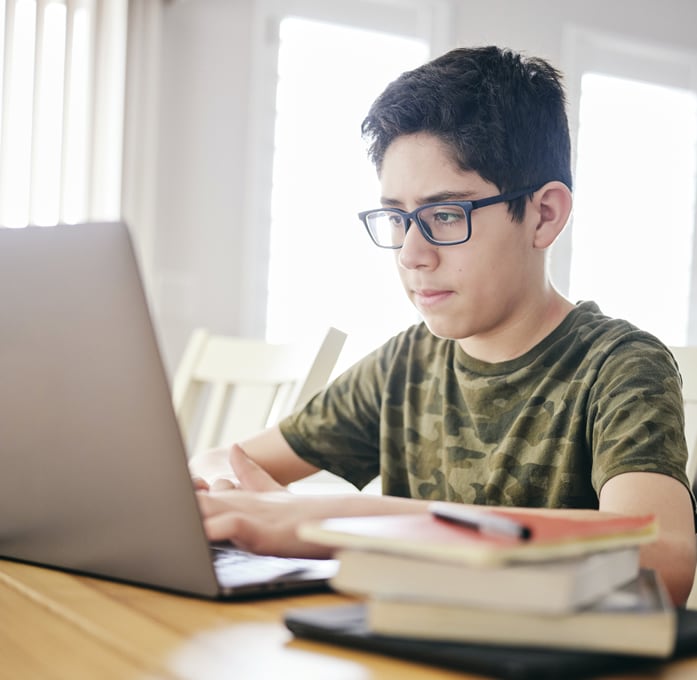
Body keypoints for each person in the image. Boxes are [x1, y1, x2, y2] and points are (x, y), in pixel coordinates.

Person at [192, 46, 697, 605]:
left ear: (544, 215)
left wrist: (345, 521)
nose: (411, 253)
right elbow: (227, 461)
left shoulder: (620, 367)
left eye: (445, 215)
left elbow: (663, 563)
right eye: (397, 217)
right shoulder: (405, 364)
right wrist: (233, 497)